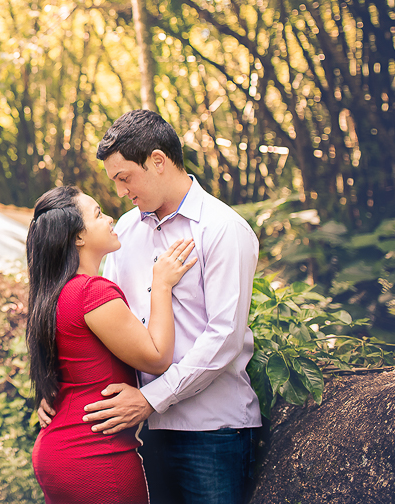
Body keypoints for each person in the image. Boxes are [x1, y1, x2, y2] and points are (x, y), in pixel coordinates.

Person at [69, 109, 262, 504]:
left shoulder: (222, 229)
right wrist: (59, 392)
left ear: (158, 161)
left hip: (214, 431)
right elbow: (111, 326)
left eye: (125, 177)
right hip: (149, 430)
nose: (120, 191)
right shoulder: (124, 231)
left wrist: (150, 398)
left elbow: (224, 336)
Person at [27, 185, 198, 504]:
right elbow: (157, 357)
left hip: (58, 450)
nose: (109, 218)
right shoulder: (91, 292)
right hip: (94, 455)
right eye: (97, 214)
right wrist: (161, 284)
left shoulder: (54, 293)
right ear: (78, 237)